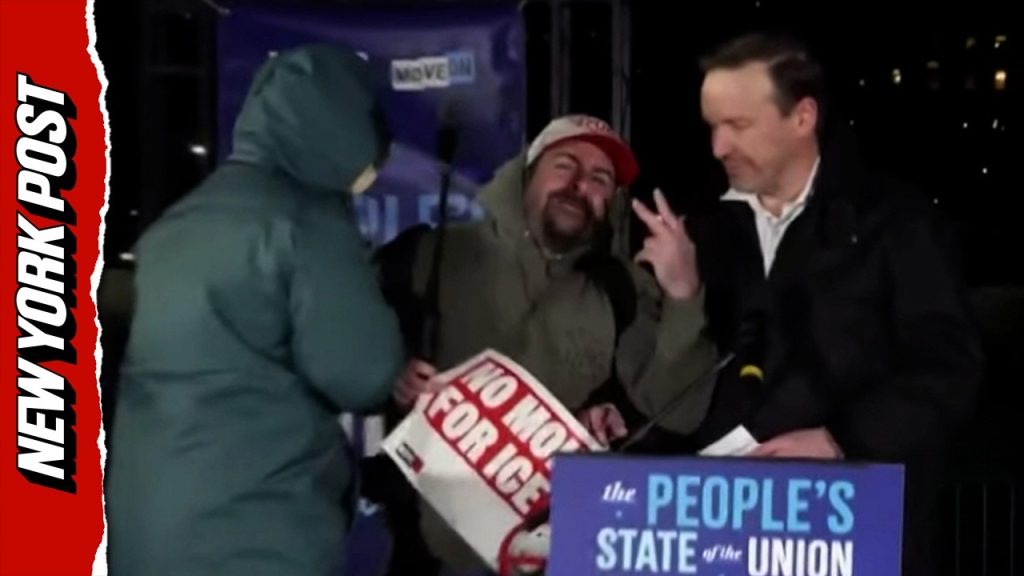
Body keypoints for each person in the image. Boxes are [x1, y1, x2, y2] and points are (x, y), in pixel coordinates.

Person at [687, 32, 983, 576]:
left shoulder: (895, 222)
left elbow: (949, 368)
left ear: (802, 117)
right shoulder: (703, 233)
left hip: (856, 537)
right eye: (712, 126)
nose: (718, 147)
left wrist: (843, 439)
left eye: (738, 125)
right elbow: (680, 376)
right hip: (724, 540)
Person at [370, 114, 719, 573]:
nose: (579, 185)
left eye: (600, 179)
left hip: (552, 556)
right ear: (526, 173)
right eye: (565, 165)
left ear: (611, 202)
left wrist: (684, 296)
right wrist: (387, 373)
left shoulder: (622, 290)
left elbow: (680, 410)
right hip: (426, 558)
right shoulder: (431, 254)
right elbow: (336, 350)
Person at [105, 44, 403, 576]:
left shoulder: (173, 227)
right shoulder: (307, 222)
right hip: (253, 531)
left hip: (146, 528)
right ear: (341, 124)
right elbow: (362, 373)